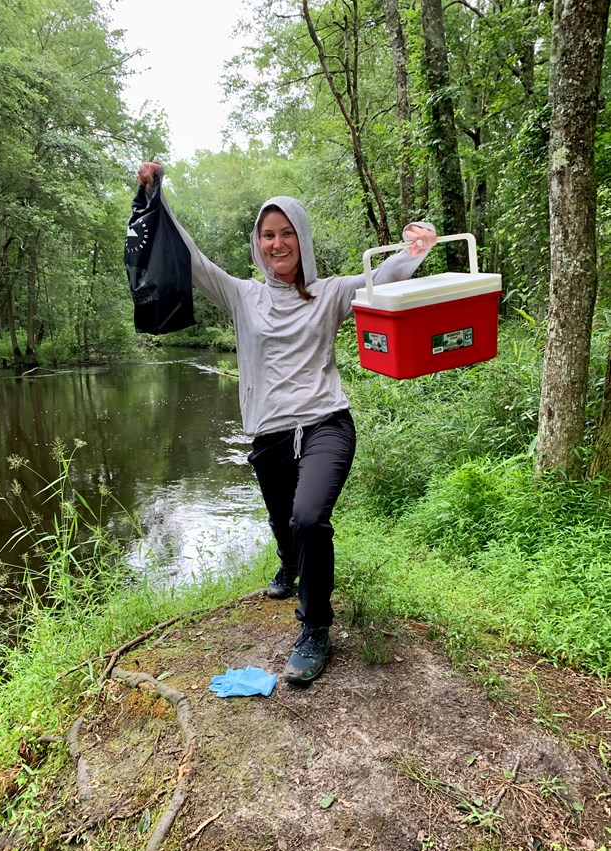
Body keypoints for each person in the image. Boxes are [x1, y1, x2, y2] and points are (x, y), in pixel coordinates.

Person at [137, 161, 437, 685]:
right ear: (258, 243)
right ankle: (288, 564)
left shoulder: (331, 293)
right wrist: (155, 196)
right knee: (284, 525)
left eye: (287, 234)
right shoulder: (241, 295)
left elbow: (380, 277)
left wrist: (416, 247)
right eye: (268, 235)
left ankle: (315, 626)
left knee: (308, 518)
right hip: (270, 435)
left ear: (302, 239)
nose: (277, 244)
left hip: (326, 424)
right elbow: (192, 260)